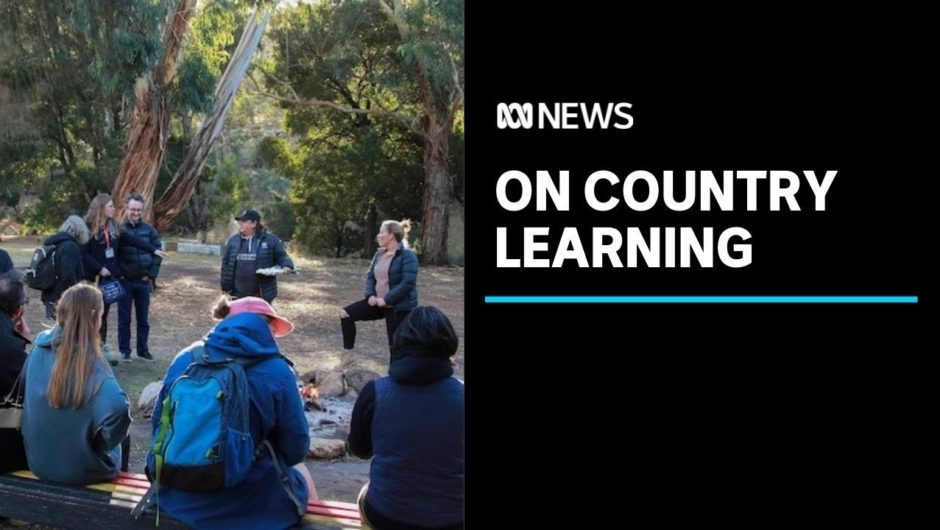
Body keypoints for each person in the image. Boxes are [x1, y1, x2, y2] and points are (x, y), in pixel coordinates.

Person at [148, 296, 316, 530]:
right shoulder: (278, 371)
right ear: (265, 326)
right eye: (273, 330)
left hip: (177, 496)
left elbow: (158, 424)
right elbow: (296, 446)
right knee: (301, 474)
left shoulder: (187, 357)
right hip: (252, 506)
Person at [348, 306, 464, 530]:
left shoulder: (375, 391)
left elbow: (360, 450)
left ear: (400, 342)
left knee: (365, 491)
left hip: (387, 514)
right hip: (453, 518)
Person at [21, 283, 132, 484]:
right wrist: (101, 444)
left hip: (38, 463)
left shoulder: (38, 348)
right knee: (125, 438)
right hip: (82, 471)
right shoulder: (92, 361)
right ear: (93, 317)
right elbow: (119, 409)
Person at [83, 193, 167, 365]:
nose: (114, 209)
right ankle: (110, 350)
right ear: (101, 208)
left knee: (124, 315)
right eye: (111, 206)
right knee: (110, 316)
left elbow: (133, 240)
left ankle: (123, 349)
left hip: (130, 280)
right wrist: (100, 268)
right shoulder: (91, 227)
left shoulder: (114, 226)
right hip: (108, 279)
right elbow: (84, 252)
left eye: (138, 210)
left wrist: (152, 251)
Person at [340, 219, 418, 355]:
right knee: (346, 314)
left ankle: (396, 374)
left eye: (382, 232)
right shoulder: (379, 254)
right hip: (377, 303)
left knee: (395, 345)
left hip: (398, 307)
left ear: (391, 235)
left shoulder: (408, 255)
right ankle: (348, 357)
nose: (379, 235)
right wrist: (370, 295)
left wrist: (387, 299)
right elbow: (371, 277)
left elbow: (408, 283)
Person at [117, 193, 162, 362]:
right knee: (124, 318)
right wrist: (120, 273)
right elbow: (114, 254)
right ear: (126, 209)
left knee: (143, 318)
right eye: (132, 209)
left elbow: (158, 253)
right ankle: (125, 351)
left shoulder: (149, 230)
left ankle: (143, 350)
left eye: (138, 210)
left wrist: (150, 275)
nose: (135, 212)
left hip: (143, 282)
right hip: (125, 282)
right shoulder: (120, 230)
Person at [220, 209, 294, 303]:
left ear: (254, 224)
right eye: (240, 221)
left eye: (244, 221)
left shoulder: (270, 240)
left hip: (261, 295)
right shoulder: (233, 241)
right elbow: (226, 265)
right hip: (237, 296)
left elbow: (282, 256)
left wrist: (287, 265)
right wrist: (225, 288)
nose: (240, 224)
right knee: (238, 318)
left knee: (260, 318)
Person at [0, 271, 30, 472]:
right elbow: (35, 387)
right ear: (18, 310)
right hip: (7, 456)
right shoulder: (10, 350)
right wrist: (27, 342)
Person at [39, 215, 90, 321]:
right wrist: (78, 292)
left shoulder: (54, 242)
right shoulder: (70, 246)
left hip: (50, 293)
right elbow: (68, 274)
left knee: (56, 329)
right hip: (64, 297)